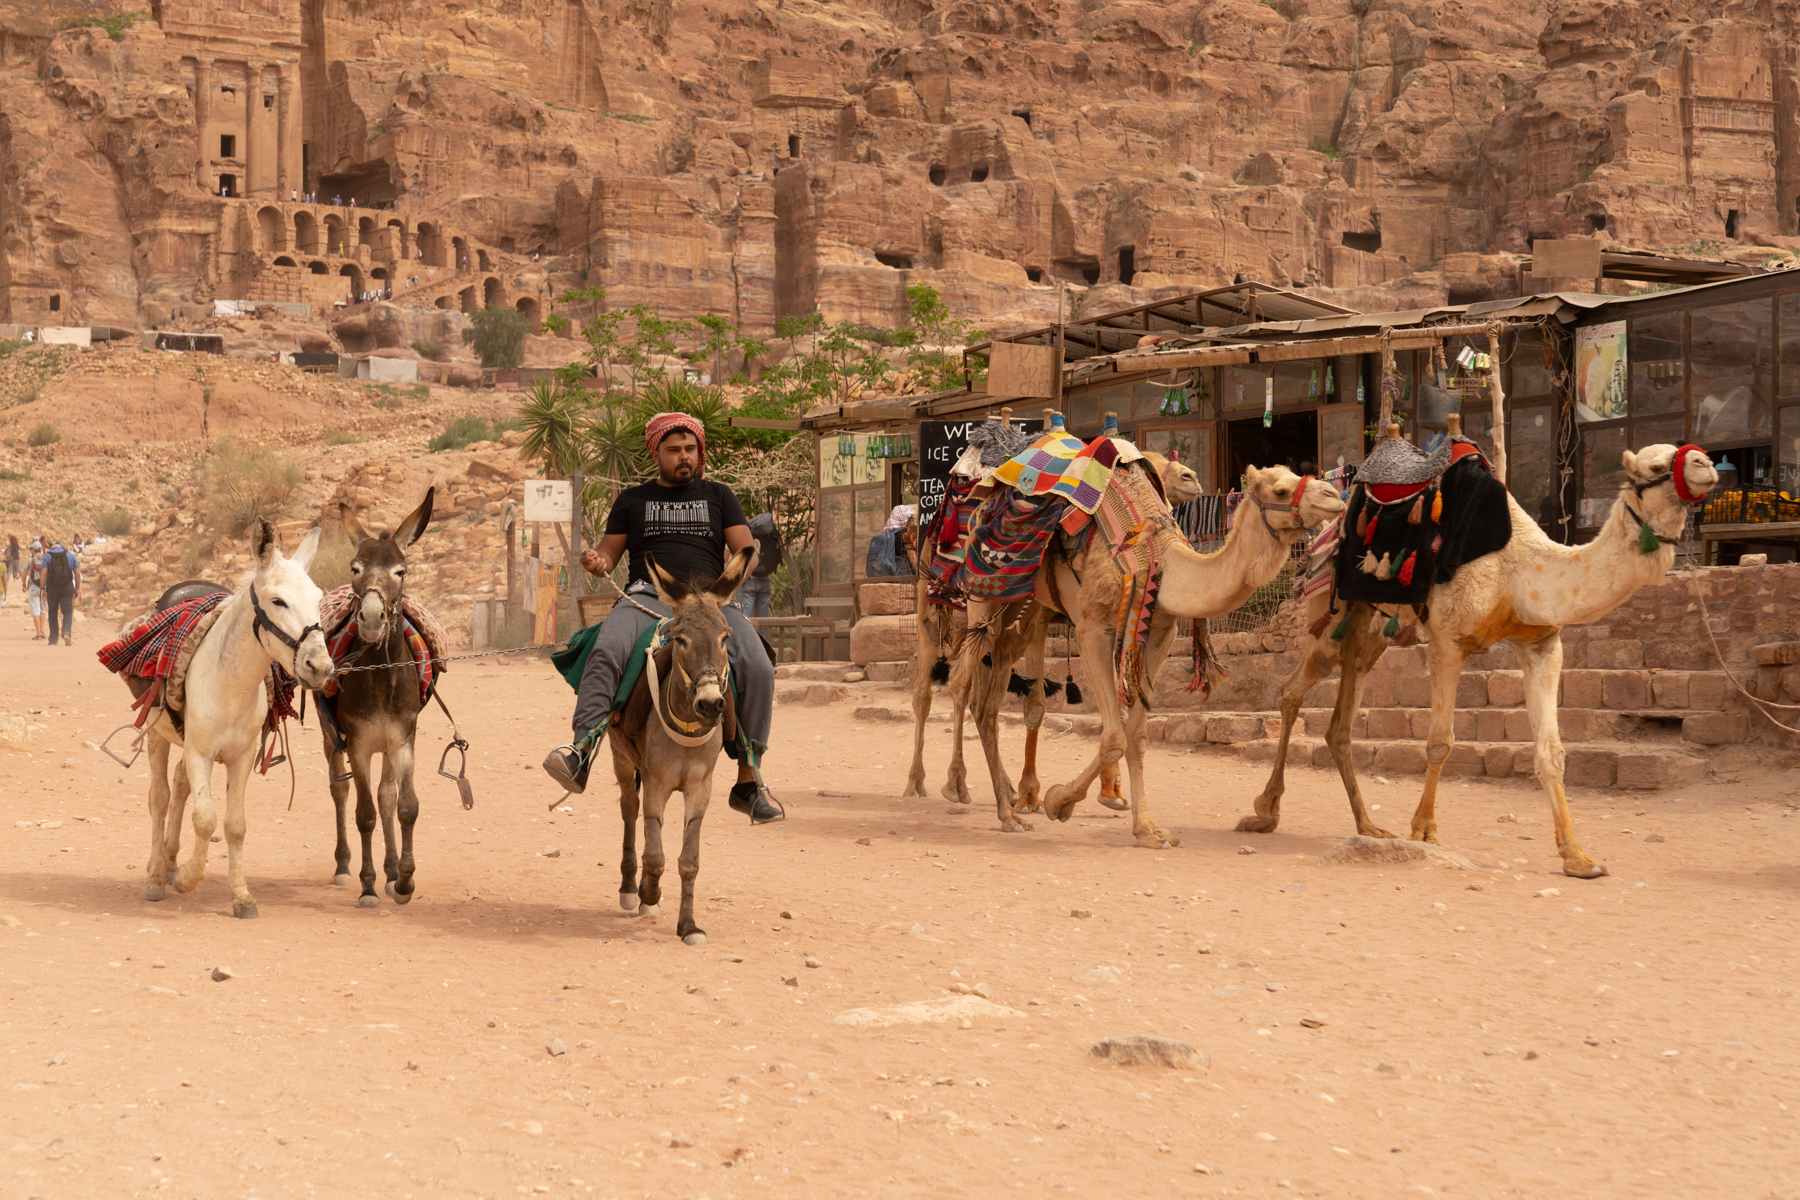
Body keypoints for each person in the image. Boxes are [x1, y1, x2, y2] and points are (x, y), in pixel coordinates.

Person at [544, 413, 782, 823]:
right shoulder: (631, 501)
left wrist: (731, 579)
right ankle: (581, 749)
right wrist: (597, 561)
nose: (683, 457)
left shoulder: (719, 496)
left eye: (690, 449)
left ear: (699, 452)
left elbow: (747, 550)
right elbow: (609, 552)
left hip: (710, 604)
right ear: (657, 452)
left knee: (759, 667)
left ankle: (748, 779)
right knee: (608, 650)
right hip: (647, 597)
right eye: (673, 450)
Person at [738, 512, 780, 618]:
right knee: (763, 622)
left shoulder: (745, 534)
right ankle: (763, 635)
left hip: (749, 581)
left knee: (745, 620)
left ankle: (747, 635)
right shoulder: (767, 536)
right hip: (765, 581)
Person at [40, 539, 79, 646]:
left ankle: (53, 639)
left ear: (51, 547)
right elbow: (77, 573)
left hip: (52, 587)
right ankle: (66, 632)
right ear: (61, 546)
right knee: (67, 612)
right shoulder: (70, 555)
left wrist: (42, 588)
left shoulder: (47, 556)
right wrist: (77, 588)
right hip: (67, 586)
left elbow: (44, 572)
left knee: (52, 612)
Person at [24, 541, 47, 640]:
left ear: (33, 549)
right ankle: (42, 631)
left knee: (35, 610)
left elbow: (24, 573)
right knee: (42, 609)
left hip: (33, 587)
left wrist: (23, 584)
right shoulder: (46, 559)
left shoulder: (30, 560)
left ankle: (38, 634)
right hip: (44, 588)